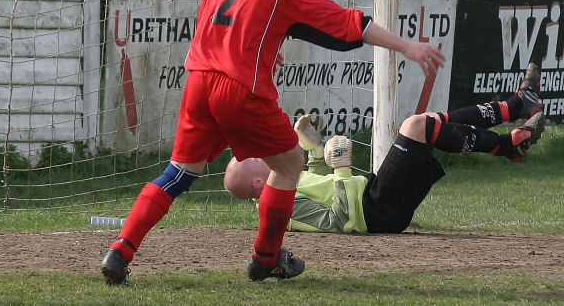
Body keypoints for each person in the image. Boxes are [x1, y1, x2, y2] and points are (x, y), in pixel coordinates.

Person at [100, 0, 447, 285]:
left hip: (199, 79)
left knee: (179, 173)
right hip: (239, 87)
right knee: (290, 165)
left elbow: (222, 27)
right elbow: (352, 25)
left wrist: (265, 48)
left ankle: (120, 251)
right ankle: (266, 259)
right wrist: (410, 47)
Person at [223, 63, 545, 234]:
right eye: (251, 160)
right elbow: (337, 220)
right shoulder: (277, 209)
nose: (258, 154)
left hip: (375, 200)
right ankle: (508, 141)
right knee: (416, 126)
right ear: (255, 183)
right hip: (376, 213)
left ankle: (515, 110)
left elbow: (319, 182)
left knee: (428, 123)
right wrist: (342, 169)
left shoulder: (283, 183)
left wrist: (315, 149)